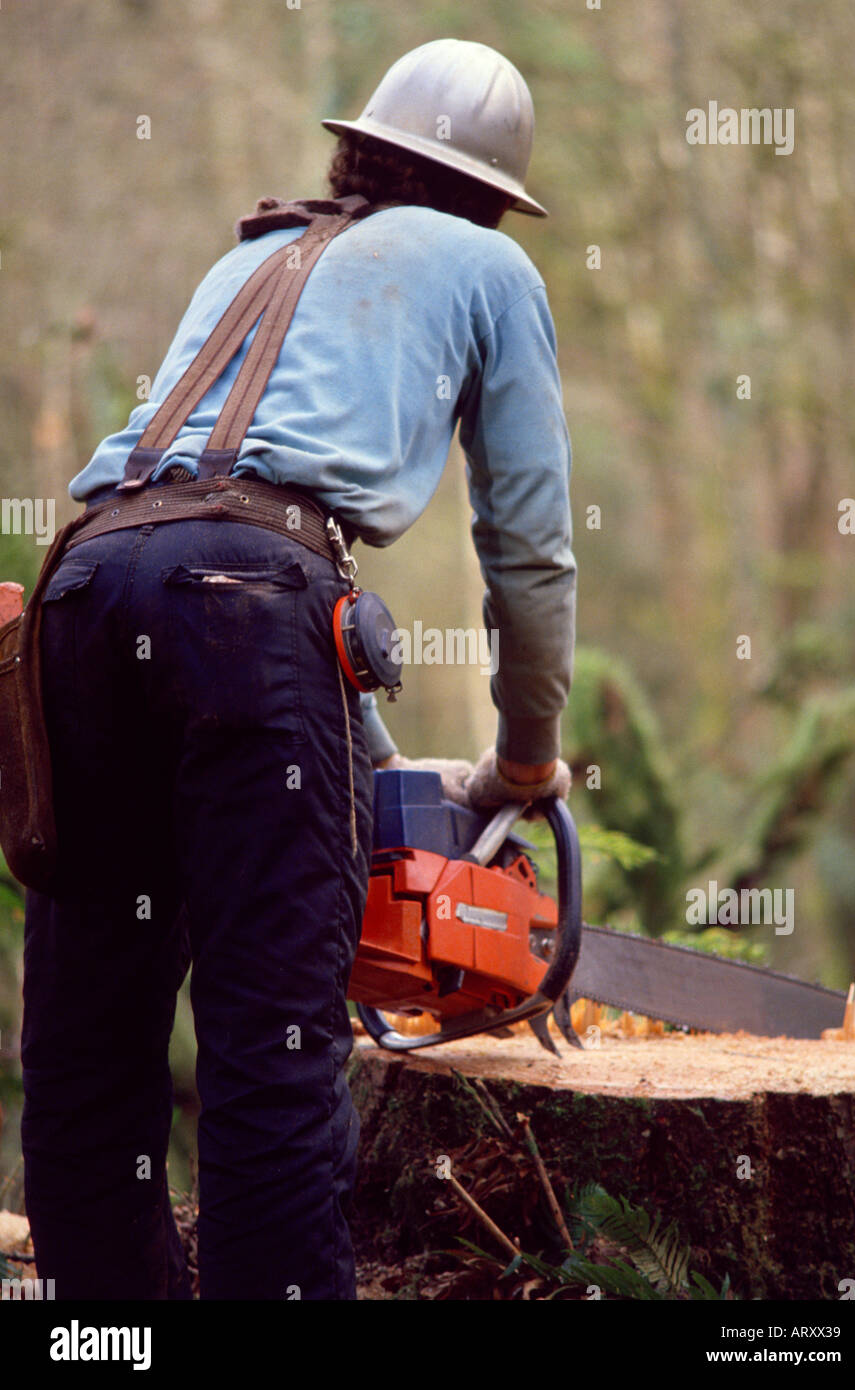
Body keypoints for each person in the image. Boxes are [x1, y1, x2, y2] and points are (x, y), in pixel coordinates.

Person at [20, 37, 576, 1301]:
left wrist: (369, 762)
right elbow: (531, 552)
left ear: (360, 149)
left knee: (87, 1053)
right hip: (253, 608)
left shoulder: (250, 253)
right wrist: (526, 757)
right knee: (271, 1049)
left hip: (85, 594)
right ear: (494, 194)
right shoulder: (492, 266)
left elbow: (202, 524)